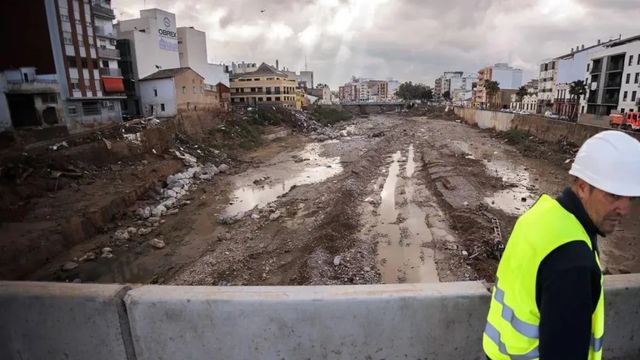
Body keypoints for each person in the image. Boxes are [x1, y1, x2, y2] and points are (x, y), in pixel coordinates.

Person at [482, 130, 640, 360]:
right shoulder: (574, 264)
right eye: (614, 195)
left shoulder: (541, 214)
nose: (625, 209)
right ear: (584, 187)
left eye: (632, 198)